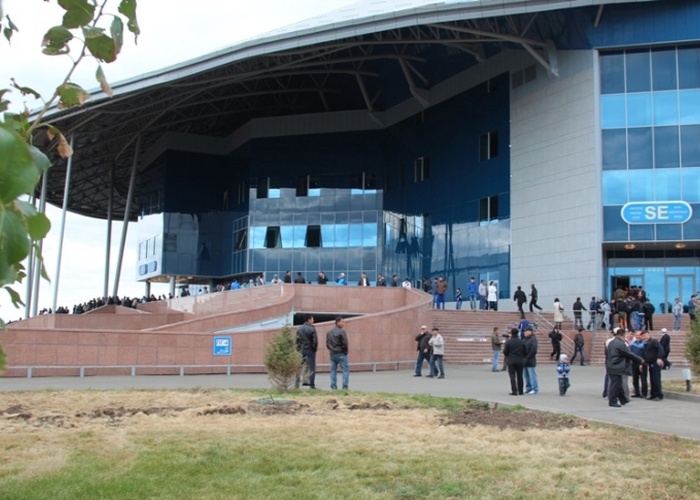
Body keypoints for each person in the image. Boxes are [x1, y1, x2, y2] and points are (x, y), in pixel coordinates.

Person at [606, 327, 643, 407]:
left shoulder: (612, 342)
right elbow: (628, 354)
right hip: (617, 366)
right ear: (623, 334)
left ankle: (623, 399)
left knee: (618, 384)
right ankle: (612, 401)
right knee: (615, 384)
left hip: (612, 365)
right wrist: (640, 360)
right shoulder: (620, 343)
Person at [295, 314, 318, 389]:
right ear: (309, 320)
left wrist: (298, 349)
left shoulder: (299, 328)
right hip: (310, 349)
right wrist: (314, 349)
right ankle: (312, 385)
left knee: (299, 367)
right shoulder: (312, 328)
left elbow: (297, 340)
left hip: (302, 349)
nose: (313, 320)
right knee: (312, 367)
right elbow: (315, 341)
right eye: (312, 319)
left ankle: (296, 384)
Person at [326, 316, 349, 390]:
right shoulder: (342, 332)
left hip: (332, 353)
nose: (344, 323)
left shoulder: (329, 332)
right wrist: (345, 352)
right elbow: (345, 343)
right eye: (342, 322)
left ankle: (333, 386)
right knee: (345, 369)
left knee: (333, 370)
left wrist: (331, 350)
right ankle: (345, 386)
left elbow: (327, 343)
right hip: (340, 353)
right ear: (337, 322)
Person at [641, 330, 664, 401]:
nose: (644, 337)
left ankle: (659, 395)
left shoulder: (654, 341)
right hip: (650, 363)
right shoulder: (646, 344)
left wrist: (659, 358)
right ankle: (653, 394)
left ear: (649, 335)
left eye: (645, 335)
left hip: (655, 363)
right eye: (643, 336)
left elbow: (660, 348)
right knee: (652, 380)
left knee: (656, 379)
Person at [503, 328, 525, 395]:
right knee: (520, 376)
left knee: (512, 376)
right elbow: (525, 351)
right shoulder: (522, 341)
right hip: (520, 360)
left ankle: (514, 391)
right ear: (518, 333)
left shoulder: (509, 342)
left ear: (511, 333)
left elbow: (505, 352)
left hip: (511, 360)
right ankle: (521, 391)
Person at [629, 331, 647, 398]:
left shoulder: (644, 344)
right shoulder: (633, 344)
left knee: (643, 379)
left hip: (642, 363)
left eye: (639, 335)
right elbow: (630, 353)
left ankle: (644, 393)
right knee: (635, 379)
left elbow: (645, 355)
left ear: (642, 336)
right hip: (634, 363)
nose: (638, 337)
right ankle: (637, 392)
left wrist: (642, 363)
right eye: (636, 335)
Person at [523, 327, 539, 395]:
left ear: (530, 331)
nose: (525, 332)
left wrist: (527, 357)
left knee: (532, 375)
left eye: (526, 331)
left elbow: (533, 350)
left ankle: (534, 389)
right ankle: (528, 388)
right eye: (524, 331)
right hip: (524, 360)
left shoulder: (533, 339)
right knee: (526, 376)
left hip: (530, 360)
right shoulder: (524, 339)